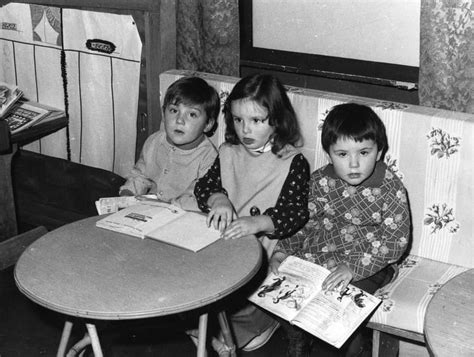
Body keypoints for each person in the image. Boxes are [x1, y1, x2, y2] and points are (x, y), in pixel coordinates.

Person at [270, 103, 411, 357]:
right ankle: (296, 337)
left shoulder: (391, 187)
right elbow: (302, 221)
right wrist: (283, 250)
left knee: (337, 306)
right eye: (343, 154)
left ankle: (347, 347)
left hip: (369, 261)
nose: (354, 164)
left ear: (379, 152)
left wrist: (353, 268)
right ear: (329, 154)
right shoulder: (321, 180)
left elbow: (395, 241)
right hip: (320, 253)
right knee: (284, 290)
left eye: (364, 152)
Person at [193, 73, 310, 353]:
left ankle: (257, 325)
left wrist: (257, 223)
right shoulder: (228, 151)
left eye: (256, 121)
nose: (245, 129)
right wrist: (218, 198)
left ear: (277, 120)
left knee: (245, 301)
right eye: (238, 119)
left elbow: (295, 213)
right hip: (223, 243)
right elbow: (204, 187)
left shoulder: (292, 162)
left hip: (266, 249)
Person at [119, 76, 220, 211]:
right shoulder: (154, 141)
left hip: (183, 216)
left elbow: (198, 199)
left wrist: (168, 206)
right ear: (163, 113)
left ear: (208, 124)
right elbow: (140, 175)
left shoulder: (209, 157)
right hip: (147, 209)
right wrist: (128, 194)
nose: (179, 120)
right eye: (174, 110)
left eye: (192, 114)